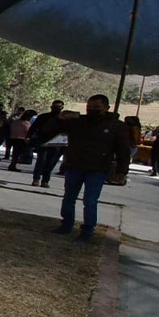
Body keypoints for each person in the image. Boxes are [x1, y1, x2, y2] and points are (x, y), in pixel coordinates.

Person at [52, 95, 130, 242]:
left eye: (97, 108)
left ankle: (87, 230)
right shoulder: (78, 122)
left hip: (98, 168)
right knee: (69, 197)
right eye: (89, 107)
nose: (92, 110)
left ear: (107, 108)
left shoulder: (116, 126)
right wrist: (59, 119)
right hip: (75, 165)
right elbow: (53, 130)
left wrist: (122, 171)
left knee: (90, 201)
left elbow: (123, 151)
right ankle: (66, 224)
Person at [29, 100, 67, 187]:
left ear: (62, 108)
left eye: (59, 107)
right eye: (55, 106)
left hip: (57, 143)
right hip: (43, 141)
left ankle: (45, 181)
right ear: (51, 107)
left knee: (51, 162)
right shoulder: (44, 117)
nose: (57, 108)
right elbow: (33, 127)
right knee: (41, 161)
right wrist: (29, 136)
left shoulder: (65, 119)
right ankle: (36, 179)